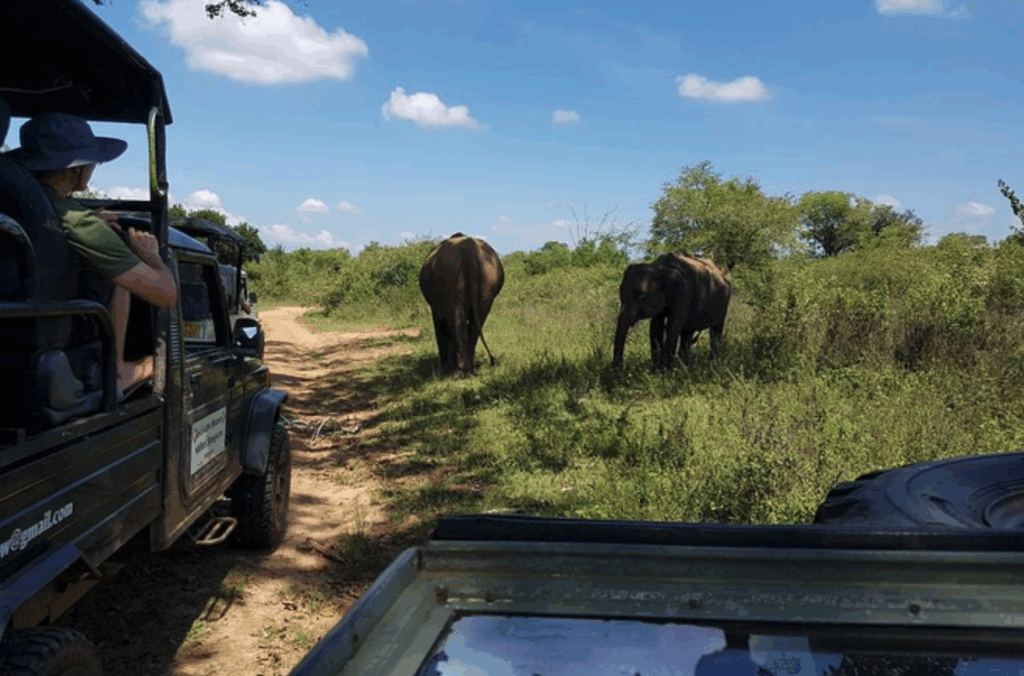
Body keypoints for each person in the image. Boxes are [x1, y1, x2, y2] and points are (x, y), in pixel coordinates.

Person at [5, 113, 178, 396]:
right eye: (92, 162)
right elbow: (166, 294)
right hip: (52, 349)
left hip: (15, 343)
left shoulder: (21, 206)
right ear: (75, 169)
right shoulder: (80, 223)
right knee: (119, 277)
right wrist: (151, 256)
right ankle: (119, 368)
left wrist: (90, 219)